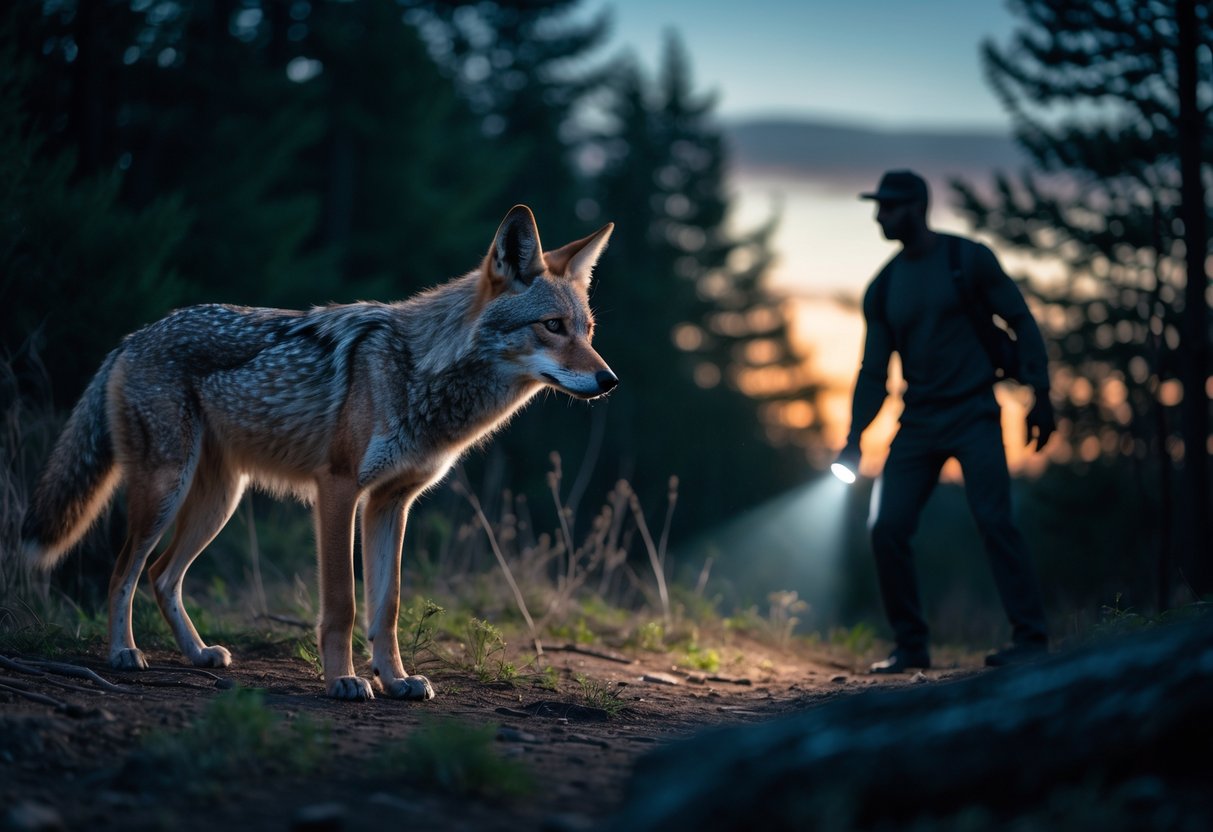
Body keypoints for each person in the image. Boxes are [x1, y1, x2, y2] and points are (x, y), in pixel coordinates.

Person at [836, 169, 1056, 673]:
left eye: (888, 207)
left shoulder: (967, 259)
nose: (879, 216)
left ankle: (1031, 640)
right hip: (918, 424)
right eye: (878, 206)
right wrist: (853, 440)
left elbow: (1021, 319)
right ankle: (910, 646)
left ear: (916, 207)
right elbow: (873, 374)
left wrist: (1041, 394)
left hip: (976, 413)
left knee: (996, 521)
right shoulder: (884, 287)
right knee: (887, 528)